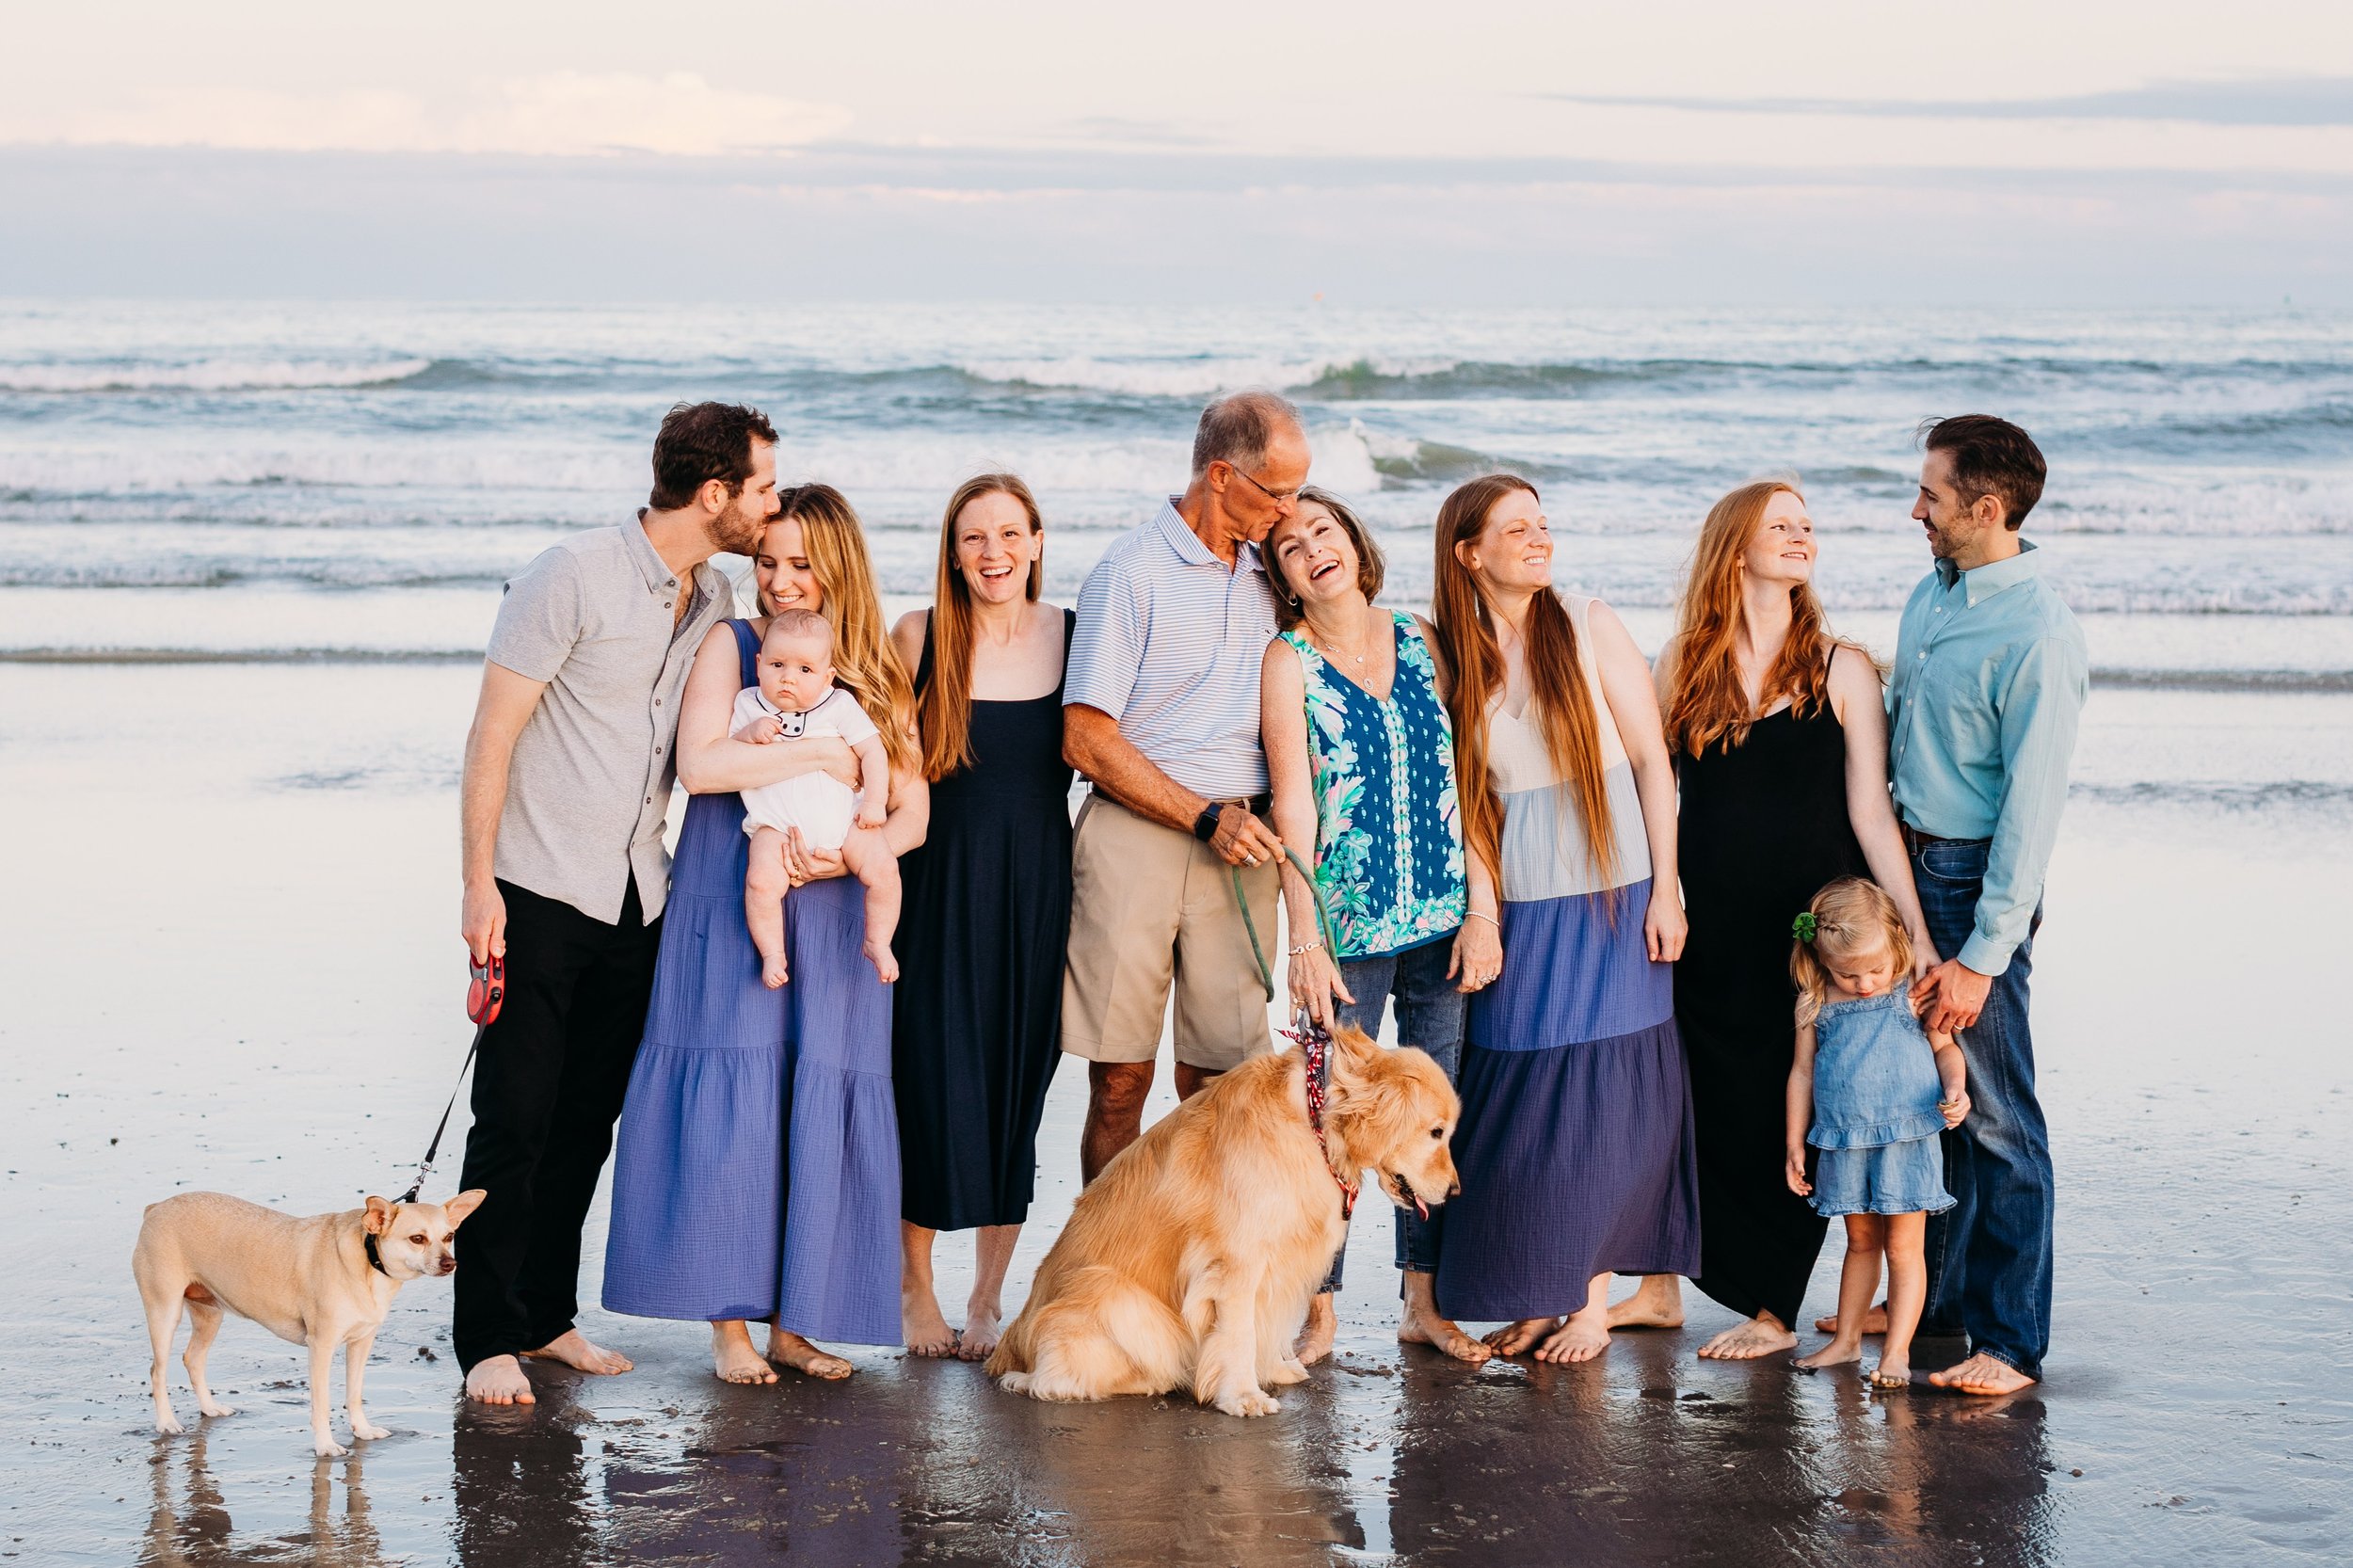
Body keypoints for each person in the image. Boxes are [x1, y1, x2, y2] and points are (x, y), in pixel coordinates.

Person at [454, 401, 774, 1405]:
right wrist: (476, 887)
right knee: (515, 1117)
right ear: (714, 493)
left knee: (590, 1119)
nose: (770, 503)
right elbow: (491, 735)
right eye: (762, 487)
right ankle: (486, 1339)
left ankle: (545, 1316)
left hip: (643, 895)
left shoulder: (714, 596)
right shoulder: (571, 574)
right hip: (538, 888)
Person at [602, 483, 927, 1385]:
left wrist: (857, 851)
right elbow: (704, 765)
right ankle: (730, 1328)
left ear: (839, 567)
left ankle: (797, 1324)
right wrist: (823, 755)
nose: (780, 582)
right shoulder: (731, 644)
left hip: (834, 907)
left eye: (801, 565)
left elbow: (915, 809)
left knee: (813, 1100)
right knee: (734, 1094)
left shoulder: (870, 668)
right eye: (768, 562)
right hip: (733, 886)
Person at [1618, 478, 1938, 1359]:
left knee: (1787, 1103)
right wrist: (1661, 891)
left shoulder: (1841, 668)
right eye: (1782, 525)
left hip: (1812, 935)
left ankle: (1771, 1307)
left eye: (1808, 526)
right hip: (1707, 921)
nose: (1802, 538)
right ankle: (1660, 1287)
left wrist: (1919, 944)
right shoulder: (1682, 661)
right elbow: (1660, 796)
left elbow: (1870, 813)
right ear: (1736, 545)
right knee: (1694, 1094)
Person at [1425, 473, 1698, 1364]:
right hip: (1523, 904)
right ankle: (1545, 1289)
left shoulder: (1585, 621)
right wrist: (1483, 912)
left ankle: (1590, 1302)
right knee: (1527, 1099)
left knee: (1611, 1098)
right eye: (1518, 528)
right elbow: (1465, 805)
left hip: (1620, 897)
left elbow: (1654, 763)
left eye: (1545, 524)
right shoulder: (1446, 653)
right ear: (1470, 552)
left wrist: (1669, 888)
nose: (1540, 538)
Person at [1260, 486, 1494, 1367]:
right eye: (1290, 546)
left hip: (1442, 922)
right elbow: (1295, 811)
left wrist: (1482, 907)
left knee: (1432, 1121)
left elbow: (1468, 782)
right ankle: (1319, 1315)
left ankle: (1422, 1306)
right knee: (1339, 1124)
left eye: (1323, 531)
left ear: (1354, 544)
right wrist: (1305, 941)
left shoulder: (1420, 639)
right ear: (1284, 578)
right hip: (1348, 933)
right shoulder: (1288, 662)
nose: (1312, 548)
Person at [1882, 414, 2087, 1396]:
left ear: (1985, 507)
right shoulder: (1933, 593)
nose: (1914, 509)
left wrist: (1981, 953)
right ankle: (1948, 1305)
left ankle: (2010, 1341)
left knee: (1999, 1114)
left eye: (1929, 493)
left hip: (1973, 886)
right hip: (1906, 872)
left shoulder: (2038, 629)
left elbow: (2031, 808)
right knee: (1939, 1106)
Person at [1059, 393, 1303, 1186]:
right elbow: (1085, 738)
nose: (1292, 510)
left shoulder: (1275, 572)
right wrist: (1201, 814)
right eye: (1279, 493)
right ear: (1223, 475)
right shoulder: (1130, 573)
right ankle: (1107, 1268)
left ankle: (1210, 1269)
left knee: (1226, 1082)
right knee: (1120, 1079)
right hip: (1139, 836)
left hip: (1245, 847)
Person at [888, 473, 1074, 1362]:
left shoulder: (1073, 636)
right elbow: (882, 765)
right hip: (935, 885)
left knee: (1014, 1091)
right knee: (929, 1085)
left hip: (1037, 890)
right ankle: (914, 1283)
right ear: (951, 552)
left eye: (1009, 535)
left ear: (1037, 541)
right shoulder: (918, 636)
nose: (992, 554)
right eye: (973, 538)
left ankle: (990, 1296)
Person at [1785, 877, 1971, 1387]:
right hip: (1845, 1140)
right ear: (1823, 962)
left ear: (1897, 947)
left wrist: (1957, 1089)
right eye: (1848, 974)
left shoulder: (1911, 994)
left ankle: (1896, 1354)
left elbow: (1945, 1049)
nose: (1864, 983)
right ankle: (1845, 1343)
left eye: (1875, 969)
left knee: (1904, 1249)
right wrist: (1794, 1142)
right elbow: (1802, 1074)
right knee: (1860, 1242)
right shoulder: (1816, 1002)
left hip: (1906, 1137)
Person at [736, 609, 901, 985]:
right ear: (759, 664)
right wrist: (748, 733)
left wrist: (875, 801)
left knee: (885, 872)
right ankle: (773, 952)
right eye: (777, 664)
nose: (789, 678)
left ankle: (878, 941)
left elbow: (873, 751)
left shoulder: (838, 705)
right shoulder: (748, 704)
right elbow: (727, 752)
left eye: (805, 670)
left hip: (845, 822)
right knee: (761, 882)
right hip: (776, 826)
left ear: (828, 677)